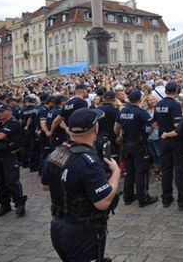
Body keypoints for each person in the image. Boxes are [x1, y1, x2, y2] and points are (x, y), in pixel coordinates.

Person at [42, 108, 121, 262]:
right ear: (96, 128)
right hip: (81, 232)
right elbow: (103, 202)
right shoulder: (88, 162)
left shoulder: (57, 152)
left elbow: (45, 185)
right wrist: (116, 172)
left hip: (58, 226)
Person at [114, 90, 158, 207]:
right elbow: (153, 125)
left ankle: (128, 197)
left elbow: (116, 128)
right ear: (140, 100)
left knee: (129, 172)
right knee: (141, 172)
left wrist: (119, 136)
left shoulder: (123, 111)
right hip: (139, 145)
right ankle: (143, 198)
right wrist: (148, 134)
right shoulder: (141, 112)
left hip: (127, 144)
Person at [155, 82, 183, 210]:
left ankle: (166, 198)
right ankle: (182, 200)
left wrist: (162, 131)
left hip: (163, 140)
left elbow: (154, 121)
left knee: (166, 170)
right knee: (180, 170)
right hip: (175, 140)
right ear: (176, 90)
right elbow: (177, 126)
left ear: (165, 91)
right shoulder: (174, 104)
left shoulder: (159, 104)